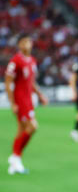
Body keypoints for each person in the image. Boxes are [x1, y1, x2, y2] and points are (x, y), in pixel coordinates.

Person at [5, 34, 48, 174]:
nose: (27, 44)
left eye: (29, 41)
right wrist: (12, 103)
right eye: (24, 42)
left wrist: (40, 94)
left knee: (21, 130)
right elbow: (8, 83)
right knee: (33, 126)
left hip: (29, 100)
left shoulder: (32, 60)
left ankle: (14, 163)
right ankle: (15, 157)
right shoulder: (15, 61)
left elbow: (31, 82)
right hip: (20, 100)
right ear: (19, 45)